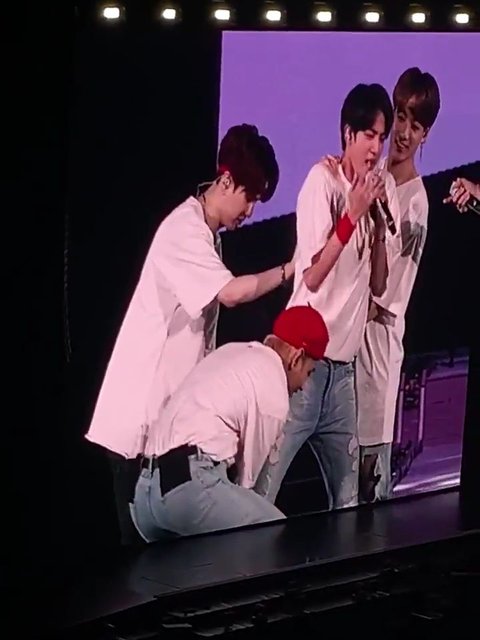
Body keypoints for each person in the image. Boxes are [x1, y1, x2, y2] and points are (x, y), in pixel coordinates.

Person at [85, 124, 294, 544]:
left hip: (165, 427)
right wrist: (291, 269)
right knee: (141, 562)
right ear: (226, 180)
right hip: (138, 424)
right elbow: (232, 293)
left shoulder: (207, 237)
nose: (251, 210)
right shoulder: (183, 229)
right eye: (250, 197)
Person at [255, 83, 399, 512]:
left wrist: (375, 224)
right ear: (347, 134)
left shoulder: (377, 192)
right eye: (368, 135)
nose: (375, 148)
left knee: (348, 500)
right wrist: (350, 216)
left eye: (381, 137)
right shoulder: (322, 182)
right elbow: (313, 275)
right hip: (303, 366)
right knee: (264, 487)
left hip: (344, 375)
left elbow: (379, 285)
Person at [321, 68, 441, 501]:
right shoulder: (371, 174)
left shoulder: (415, 203)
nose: (404, 133)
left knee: (368, 485)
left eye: (416, 125)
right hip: (345, 343)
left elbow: (388, 294)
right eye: (401, 117)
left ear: (426, 134)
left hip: (374, 347)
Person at [130, 306, 329, 541]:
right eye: (309, 372)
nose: (304, 385)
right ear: (296, 358)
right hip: (188, 492)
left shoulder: (232, 351)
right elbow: (248, 483)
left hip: (145, 493)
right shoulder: (273, 389)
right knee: (272, 533)